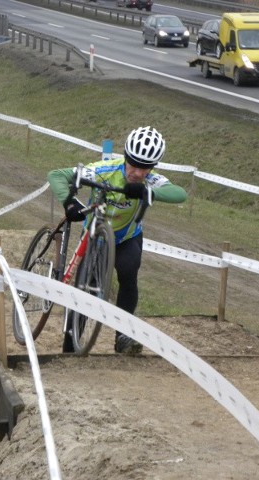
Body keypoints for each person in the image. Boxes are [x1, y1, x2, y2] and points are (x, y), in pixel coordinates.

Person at [47, 126, 187, 355]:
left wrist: (149, 193)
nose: (138, 173)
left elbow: (180, 193)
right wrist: (69, 202)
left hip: (126, 237)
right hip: (95, 236)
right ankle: (70, 348)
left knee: (128, 271)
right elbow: (56, 175)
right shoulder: (103, 170)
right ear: (125, 157)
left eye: (145, 168)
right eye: (133, 164)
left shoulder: (150, 180)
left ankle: (124, 336)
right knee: (86, 290)